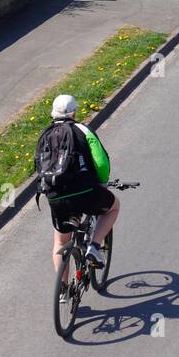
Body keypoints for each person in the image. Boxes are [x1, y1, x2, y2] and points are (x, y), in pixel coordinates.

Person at [45, 94, 118, 274]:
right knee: (113, 207)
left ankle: (62, 292)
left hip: (56, 196)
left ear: (53, 113)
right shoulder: (82, 130)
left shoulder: (46, 134)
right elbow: (101, 163)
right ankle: (94, 246)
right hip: (85, 192)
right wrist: (102, 183)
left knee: (60, 241)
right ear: (74, 113)